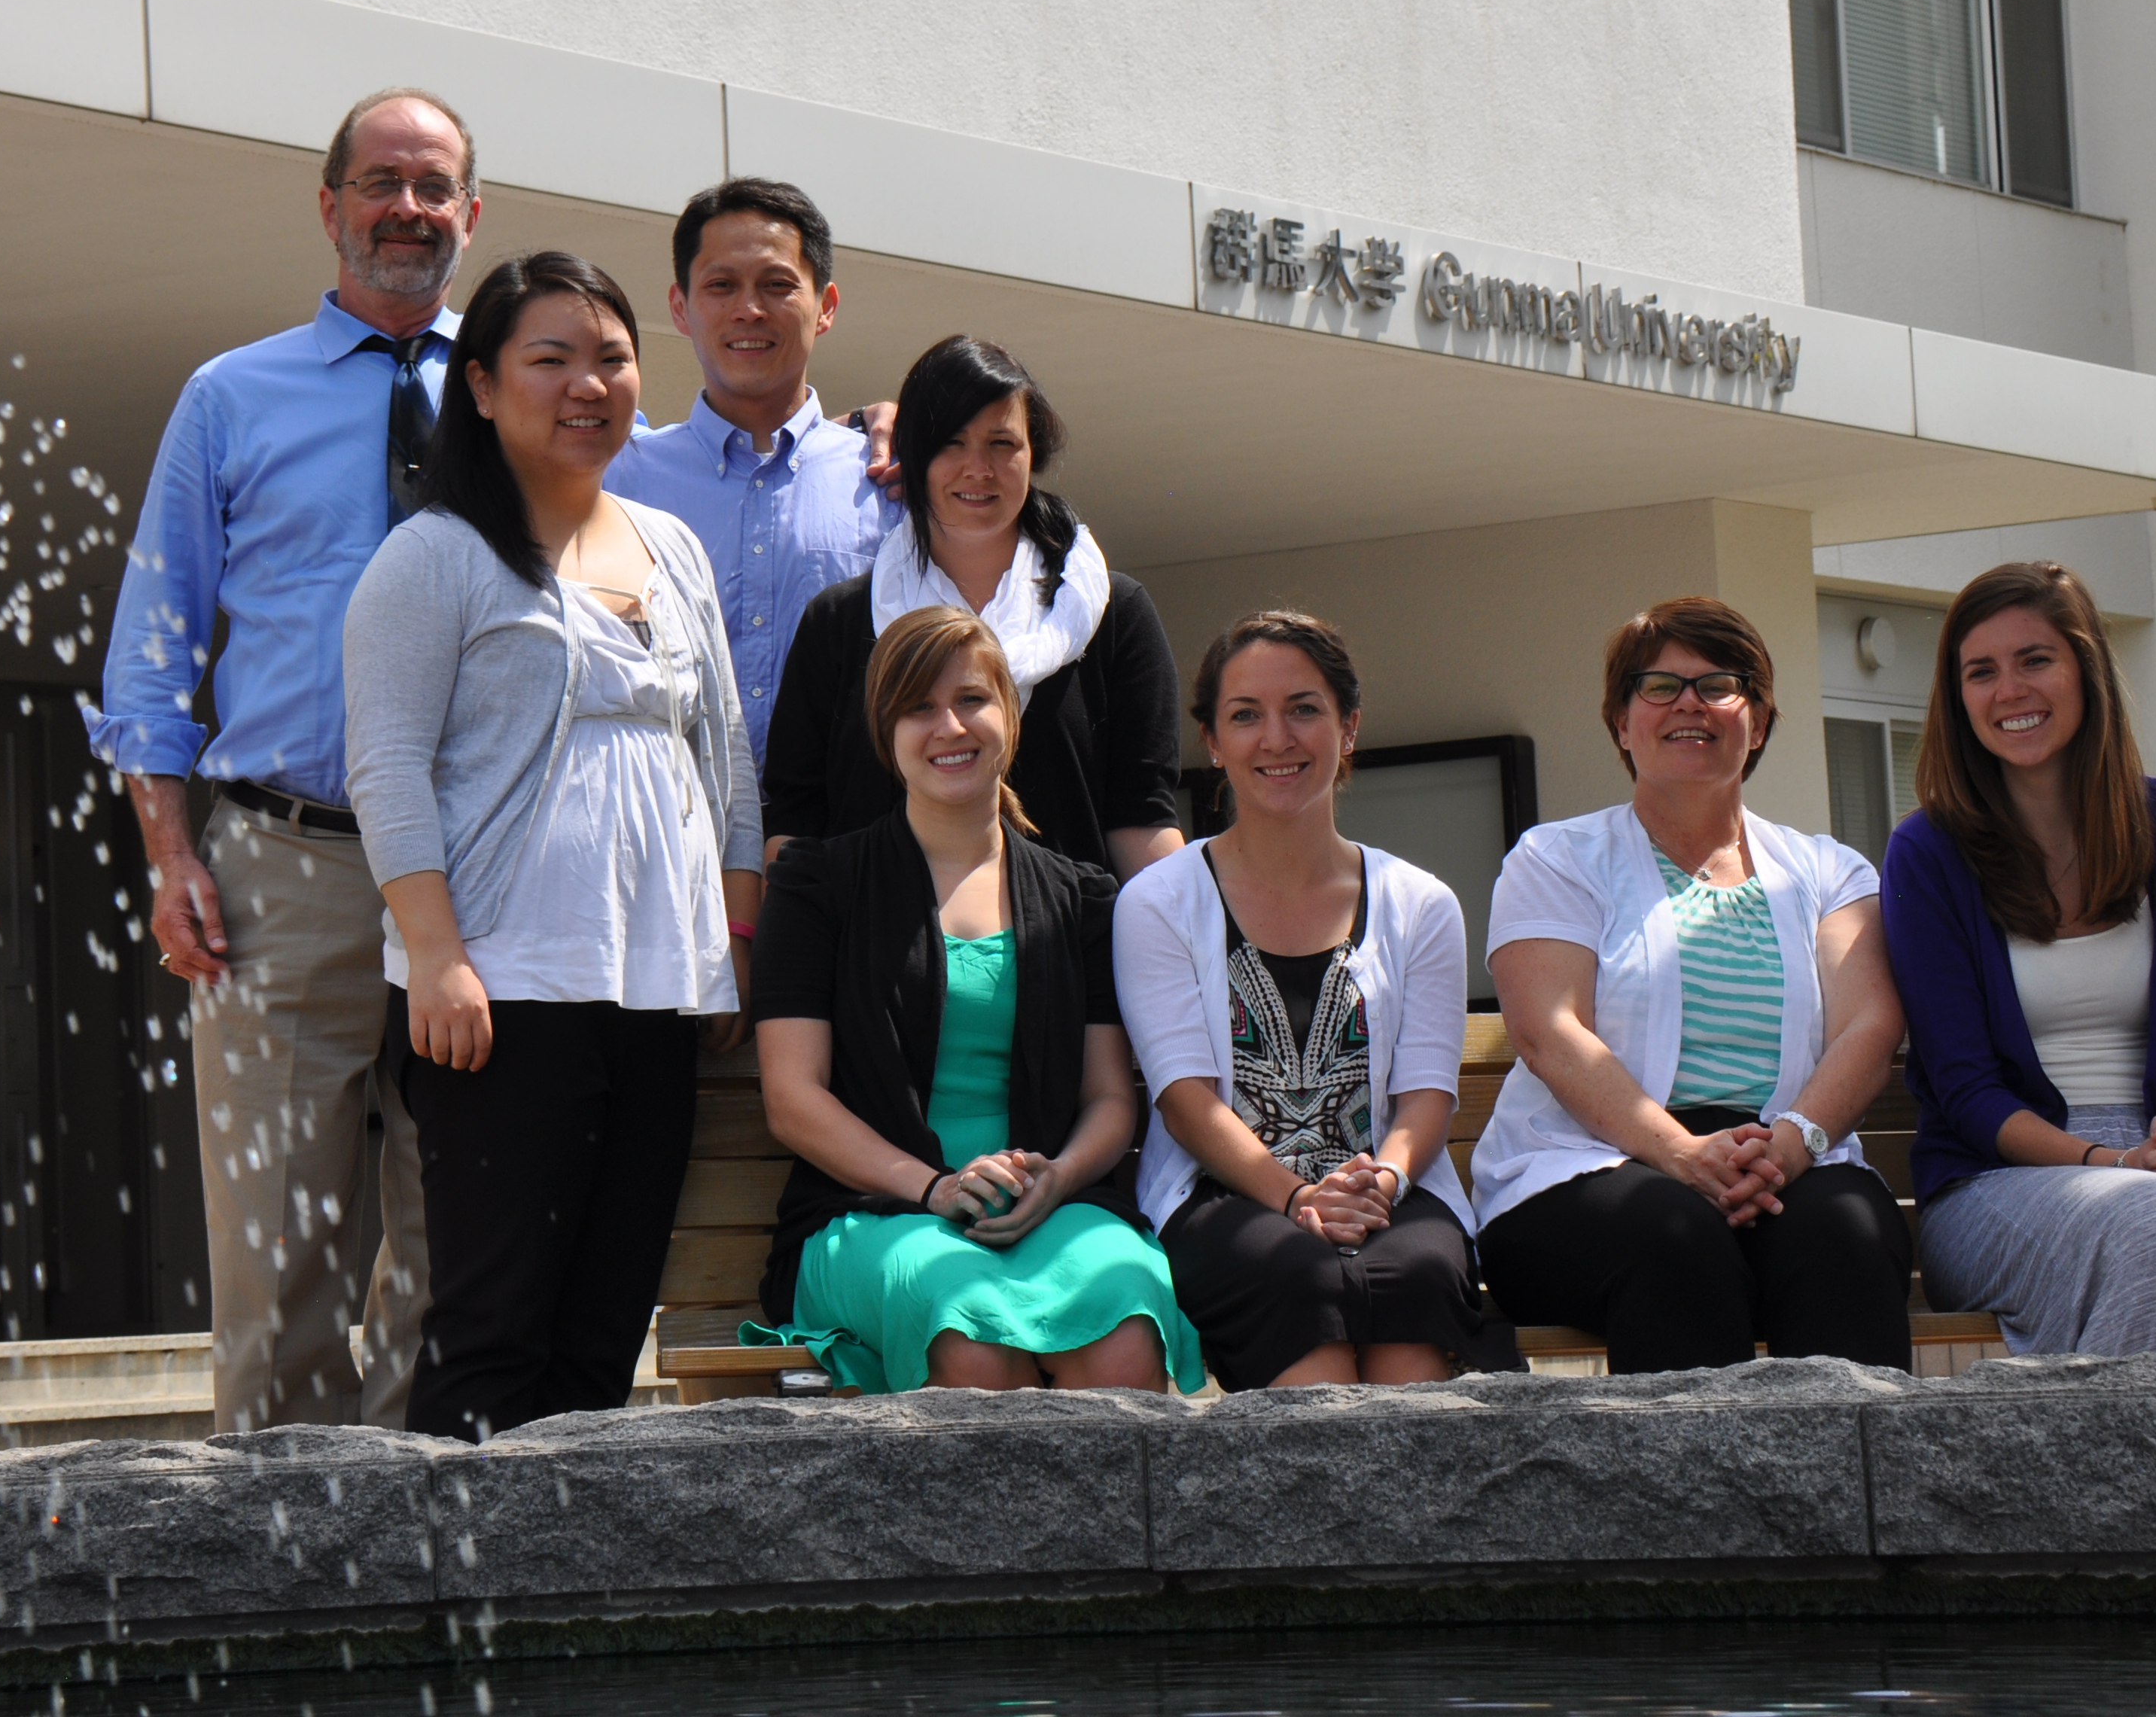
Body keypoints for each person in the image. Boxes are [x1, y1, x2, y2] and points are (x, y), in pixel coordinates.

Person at [88, 86, 475, 1433]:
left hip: (475, 876)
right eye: (382, 182)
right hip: (283, 861)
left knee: (457, 1236)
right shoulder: (229, 397)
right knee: (280, 1243)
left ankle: (431, 1529)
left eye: (434, 188)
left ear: (469, 217)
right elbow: (155, 636)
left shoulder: (520, 388)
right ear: (328, 207)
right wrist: (168, 850)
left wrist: (872, 433)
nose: (408, 209)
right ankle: (284, 1553)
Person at [340, 251, 763, 1439]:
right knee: (490, 1325)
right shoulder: (433, 556)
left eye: (613, 358)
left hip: (661, 990)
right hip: (502, 990)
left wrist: (731, 938)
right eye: (551, 359)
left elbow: (723, 753)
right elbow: (387, 768)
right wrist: (436, 956)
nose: (590, 384)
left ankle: (576, 1589)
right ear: (479, 385)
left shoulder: (672, 546)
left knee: (605, 1324)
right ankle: (455, 1601)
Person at [745, 604, 1201, 1393]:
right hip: (877, 1212)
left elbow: (1107, 1099)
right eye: (918, 707)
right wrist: (935, 1186)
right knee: (968, 1334)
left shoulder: (1084, 897)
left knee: (1127, 1323)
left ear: (1010, 716)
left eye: (970, 700)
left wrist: (1055, 1178)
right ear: (884, 732)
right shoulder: (815, 886)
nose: (948, 726)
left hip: (1054, 1206)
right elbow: (792, 1099)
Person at [1885, 562, 2156, 1354]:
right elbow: (1966, 1090)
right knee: (2151, 1219)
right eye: (1980, 672)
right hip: (1997, 1181)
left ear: (2085, 668)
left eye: (2035, 659)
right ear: (1958, 700)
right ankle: (2128, 1466)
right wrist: (2120, 1162)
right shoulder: (1928, 850)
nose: (2008, 690)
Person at [1468, 596, 1914, 1374]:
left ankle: (1852, 1491)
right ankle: (1693, 1499)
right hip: (1588, 1168)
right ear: (1619, 722)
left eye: (1718, 684)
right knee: (1676, 1238)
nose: (1689, 704)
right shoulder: (1556, 860)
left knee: (1846, 1233)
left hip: (1783, 1154)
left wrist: (1790, 1145)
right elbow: (1549, 1030)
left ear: (1761, 719)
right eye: (1658, 686)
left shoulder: (1828, 870)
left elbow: (1868, 1026)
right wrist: (1680, 1154)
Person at [1116, 611, 1492, 1390]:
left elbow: (1426, 1095)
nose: (1276, 738)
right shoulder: (1157, 901)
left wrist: (1380, 1184)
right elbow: (1185, 1102)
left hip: (1388, 1188)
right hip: (1222, 1193)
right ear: (1213, 743)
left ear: (1348, 727)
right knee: (1297, 1279)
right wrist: (1295, 1198)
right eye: (1245, 715)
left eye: (1304, 708)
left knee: (1415, 1277)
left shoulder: (1420, 903)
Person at [762, 336, 1183, 881]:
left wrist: (1187, 942)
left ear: (1035, 453)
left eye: (1003, 443)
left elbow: (1141, 816)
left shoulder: (1113, 614)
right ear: (911, 455)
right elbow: (796, 820)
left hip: (1066, 950)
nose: (978, 468)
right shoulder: (840, 623)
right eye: (952, 443)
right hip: (876, 953)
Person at [605, 179, 902, 772]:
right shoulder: (617, 482)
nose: (749, 309)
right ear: (680, 307)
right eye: (721, 286)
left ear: (827, 307)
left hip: (839, 842)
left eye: (778, 284)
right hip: (671, 830)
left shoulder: (888, 480)